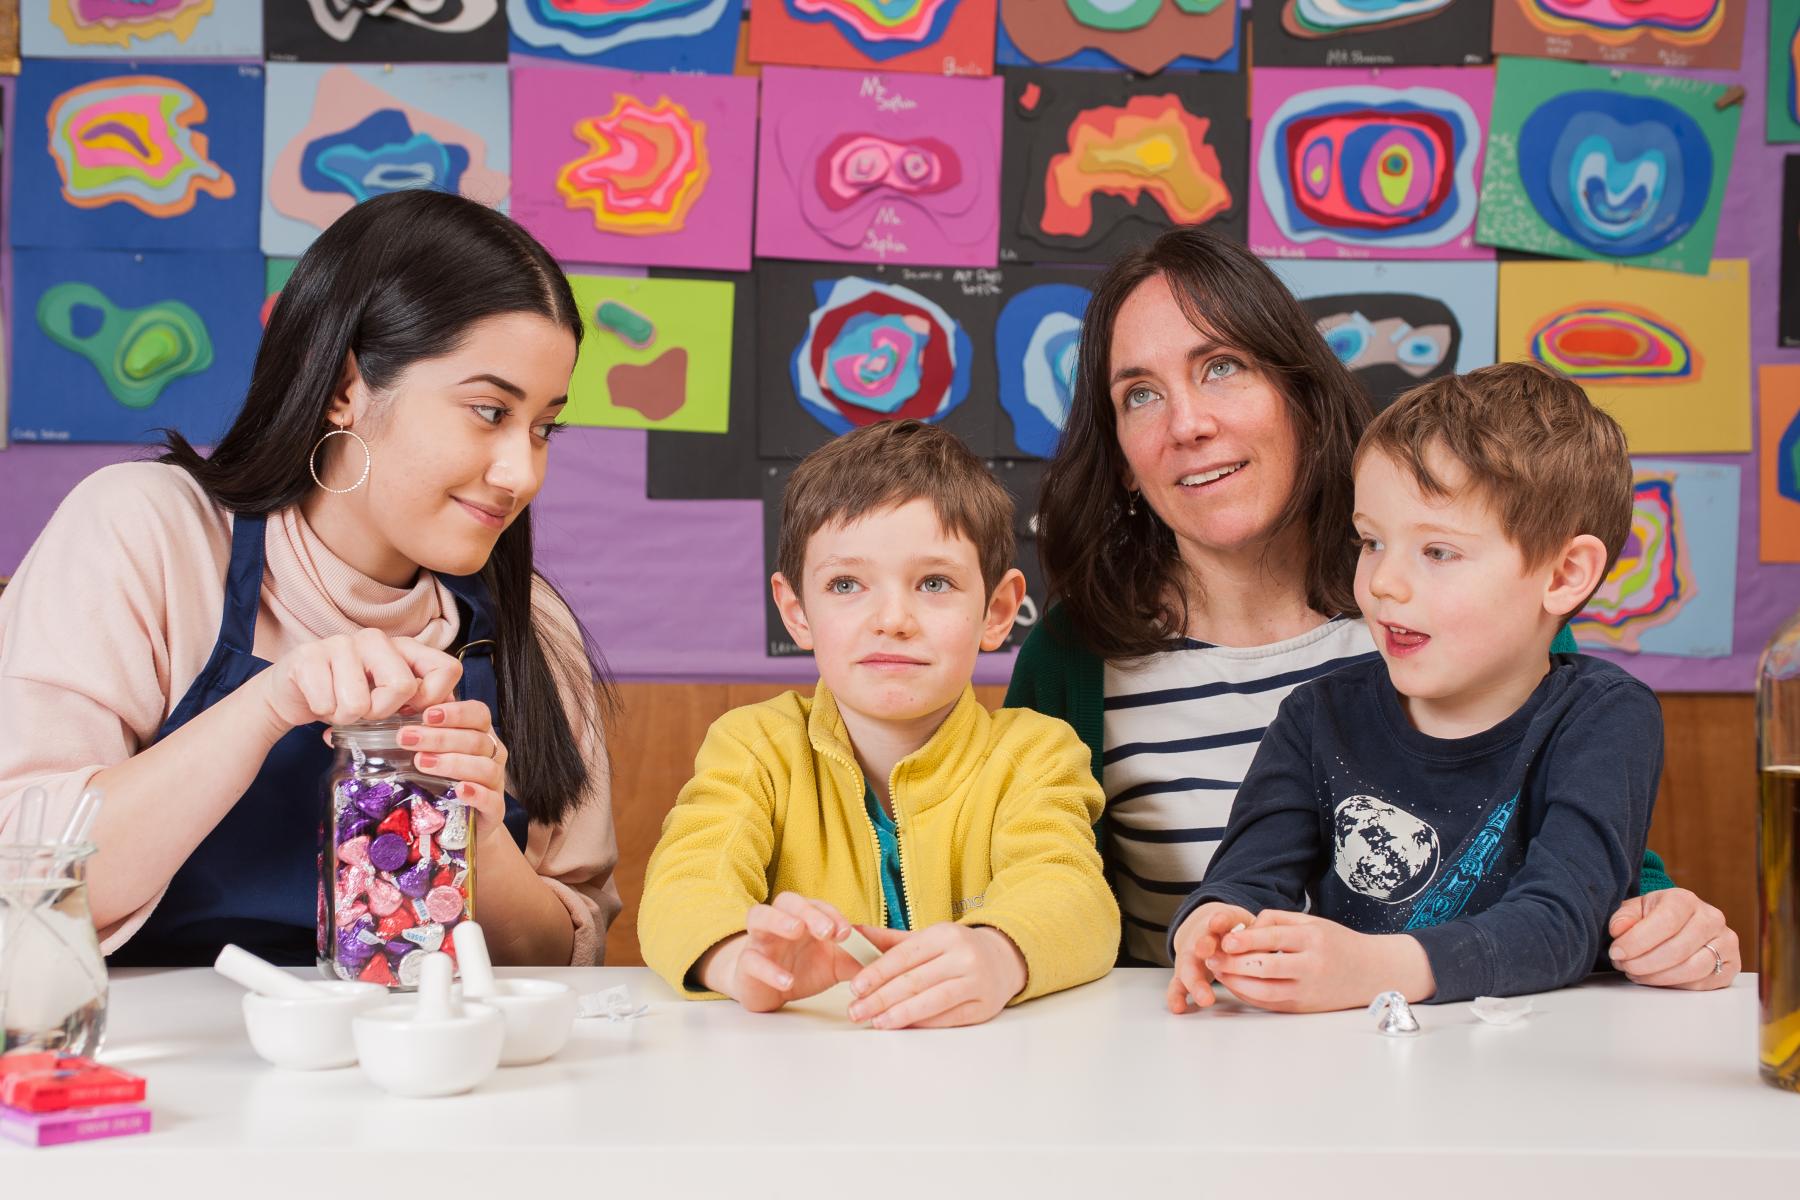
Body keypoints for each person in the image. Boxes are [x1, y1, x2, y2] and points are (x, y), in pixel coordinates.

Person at [1005, 227, 1740, 991]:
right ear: (1121, 456)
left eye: (1222, 366)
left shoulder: (1481, 622)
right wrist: (1211, 921)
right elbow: (1040, 887)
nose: (1187, 423)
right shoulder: (1077, 662)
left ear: (1302, 398)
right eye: (1141, 395)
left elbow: (1574, 868)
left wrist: (1665, 922)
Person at [0, 190, 619, 968]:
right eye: (490, 411)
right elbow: (24, 879)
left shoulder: (532, 624)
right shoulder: (147, 532)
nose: (521, 472)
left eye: (543, 428)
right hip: (151, 1067)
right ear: (346, 388)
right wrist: (267, 706)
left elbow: (570, 962)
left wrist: (480, 837)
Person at [1168, 363, 1658, 1013]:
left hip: (1537, 1068)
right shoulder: (1317, 716)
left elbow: (1559, 924)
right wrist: (1215, 923)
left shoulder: (1604, 720)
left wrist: (1378, 968)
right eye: (1372, 541)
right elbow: (1247, 878)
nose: (1382, 584)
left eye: (1438, 552)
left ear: (1566, 573)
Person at [639, 420, 1118, 1029]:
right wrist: (739, 959)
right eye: (846, 584)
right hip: (806, 1075)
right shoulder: (754, 748)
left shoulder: (1037, 754)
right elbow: (683, 885)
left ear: (997, 612)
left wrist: (998, 954)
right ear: (797, 611)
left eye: (935, 583)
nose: (892, 619)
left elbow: (1073, 896)